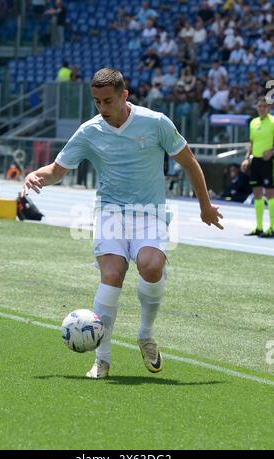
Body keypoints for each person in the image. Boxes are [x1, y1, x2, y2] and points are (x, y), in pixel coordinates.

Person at [22, 68, 223, 379]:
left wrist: (205, 206)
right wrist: (37, 176)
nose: (102, 108)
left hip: (149, 213)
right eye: (96, 102)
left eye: (107, 101)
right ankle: (101, 359)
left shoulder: (155, 122)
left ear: (124, 96)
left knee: (151, 265)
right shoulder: (90, 131)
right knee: (113, 274)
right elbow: (57, 170)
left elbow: (189, 161)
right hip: (110, 213)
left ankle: (145, 335)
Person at [241, 96, 274, 238]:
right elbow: (251, 143)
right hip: (256, 162)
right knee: (257, 194)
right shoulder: (253, 123)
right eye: (259, 106)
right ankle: (259, 227)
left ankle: (272, 227)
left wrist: (272, 150)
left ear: (269, 108)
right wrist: (247, 158)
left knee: (271, 194)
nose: (261, 108)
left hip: (269, 162)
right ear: (256, 107)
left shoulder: (273, 122)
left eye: (264, 106)